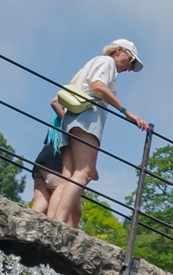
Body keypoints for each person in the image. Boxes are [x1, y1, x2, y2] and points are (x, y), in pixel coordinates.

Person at [43, 40, 148, 228]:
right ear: (119, 51)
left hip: (70, 119)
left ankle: (50, 222)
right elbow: (98, 86)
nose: (129, 68)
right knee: (84, 172)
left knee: (68, 176)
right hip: (87, 118)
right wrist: (126, 111)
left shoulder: (90, 64)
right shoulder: (107, 63)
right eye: (130, 61)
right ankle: (59, 223)